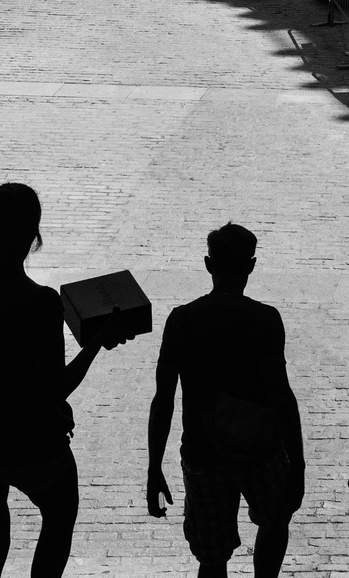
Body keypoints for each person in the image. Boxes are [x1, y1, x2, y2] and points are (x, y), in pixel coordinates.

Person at [0, 182, 131, 578]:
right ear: (33, 238)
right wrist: (96, 343)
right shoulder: (42, 303)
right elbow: (54, 389)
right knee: (60, 513)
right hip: (31, 446)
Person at [146, 223, 304, 578]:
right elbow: (281, 397)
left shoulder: (182, 320)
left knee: (212, 557)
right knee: (275, 521)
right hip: (260, 449)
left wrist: (154, 467)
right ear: (250, 266)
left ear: (208, 264)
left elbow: (164, 400)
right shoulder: (265, 320)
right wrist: (299, 465)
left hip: (204, 453)